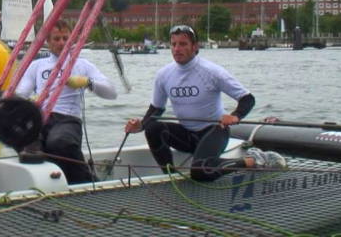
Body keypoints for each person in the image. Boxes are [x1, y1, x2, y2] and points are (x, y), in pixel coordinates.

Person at [125, 25, 286, 181]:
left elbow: (248, 99)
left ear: (195, 46)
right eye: (173, 44)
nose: (177, 49)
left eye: (182, 44)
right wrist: (140, 126)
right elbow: (156, 109)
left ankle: (253, 160)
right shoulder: (164, 75)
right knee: (153, 128)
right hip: (187, 135)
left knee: (200, 172)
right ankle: (170, 177)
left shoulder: (212, 71)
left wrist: (235, 116)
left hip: (214, 132)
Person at [16, 20, 117, 184]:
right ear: (48, 42)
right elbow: (20, 94)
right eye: (56, 39)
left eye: (65, 38)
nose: (61, 43)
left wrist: (88, 82)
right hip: (42, 117)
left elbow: (112, 93)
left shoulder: (82, 65)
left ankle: (87, 181)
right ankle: (50, 182)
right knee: (25, 141)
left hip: (67, 119)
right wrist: (29, 101)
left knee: (59, 142)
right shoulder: (37, 66)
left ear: (72, 40)